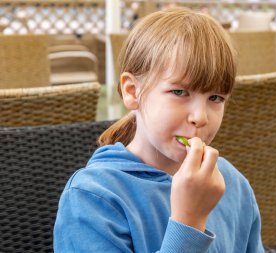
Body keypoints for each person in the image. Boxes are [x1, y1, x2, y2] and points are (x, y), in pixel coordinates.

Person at [54, 7, 264, 253]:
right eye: (179, 92)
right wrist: (189, 222)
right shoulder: (92, 198)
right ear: (132, 91)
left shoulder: (230, 182)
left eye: (215, 98)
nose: (200, 117)